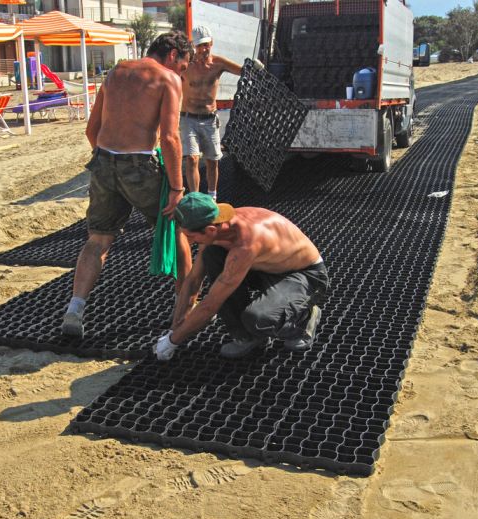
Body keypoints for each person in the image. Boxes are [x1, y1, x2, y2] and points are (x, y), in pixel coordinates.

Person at [61, 32, 194, 337]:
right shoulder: (167, 79)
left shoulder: (115, 73)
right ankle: (184, 310)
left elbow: (91, 129)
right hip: (140, 167)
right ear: (172, 55)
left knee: (97, 240)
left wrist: (110, 160)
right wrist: (176, 188)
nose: (181, 75)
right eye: (183, 67)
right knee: (177, 230)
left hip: (104, 163)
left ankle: (75, 309)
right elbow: (171, 138)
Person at [154, 192, 329, 360]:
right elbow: (193, 281)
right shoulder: (216, 223)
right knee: (212, 255)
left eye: (191, 236)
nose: (190, 241)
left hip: (307, 275)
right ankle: (247, 337)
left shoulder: (246, 243)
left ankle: (303, 320)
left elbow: (210, 305)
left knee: (258, 319)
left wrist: (173, 342)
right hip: (267, 267)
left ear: (210, 230)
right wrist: (174, 328)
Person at [180, 25, 243, 199]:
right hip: (188, 119)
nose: (203, 49)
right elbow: (169, 75)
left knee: (213, 160)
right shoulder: (186, 66)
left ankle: (212, 196)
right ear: (194, 47)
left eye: (206, 45)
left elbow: (244, 71)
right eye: (199, 46)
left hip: (210, 119)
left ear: (211, 43)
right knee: (192, 159)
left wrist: (256, 68)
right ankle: (195, 199)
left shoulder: (218, 64)